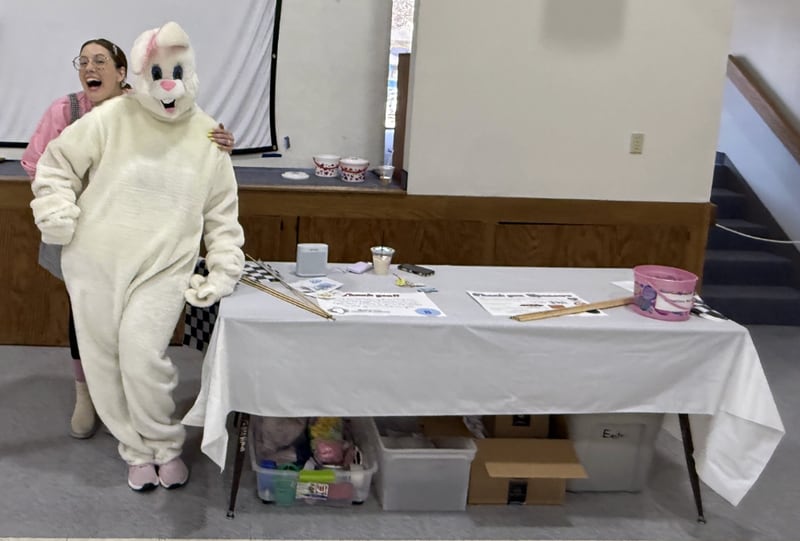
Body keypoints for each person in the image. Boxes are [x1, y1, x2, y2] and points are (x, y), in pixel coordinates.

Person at [30, 20, 244, 492]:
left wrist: (223, 267)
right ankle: (135, 449)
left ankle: (165, 444)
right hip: (96, 262)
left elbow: (222, 214)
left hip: (164, 266)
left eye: (177, 73)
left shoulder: (207, 135)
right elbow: (55, 164)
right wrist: (56, 211)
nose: (168, 85)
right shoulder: (110, 118)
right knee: (105, 359)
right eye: (158, 73)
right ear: (141, 75)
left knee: (142, 355)